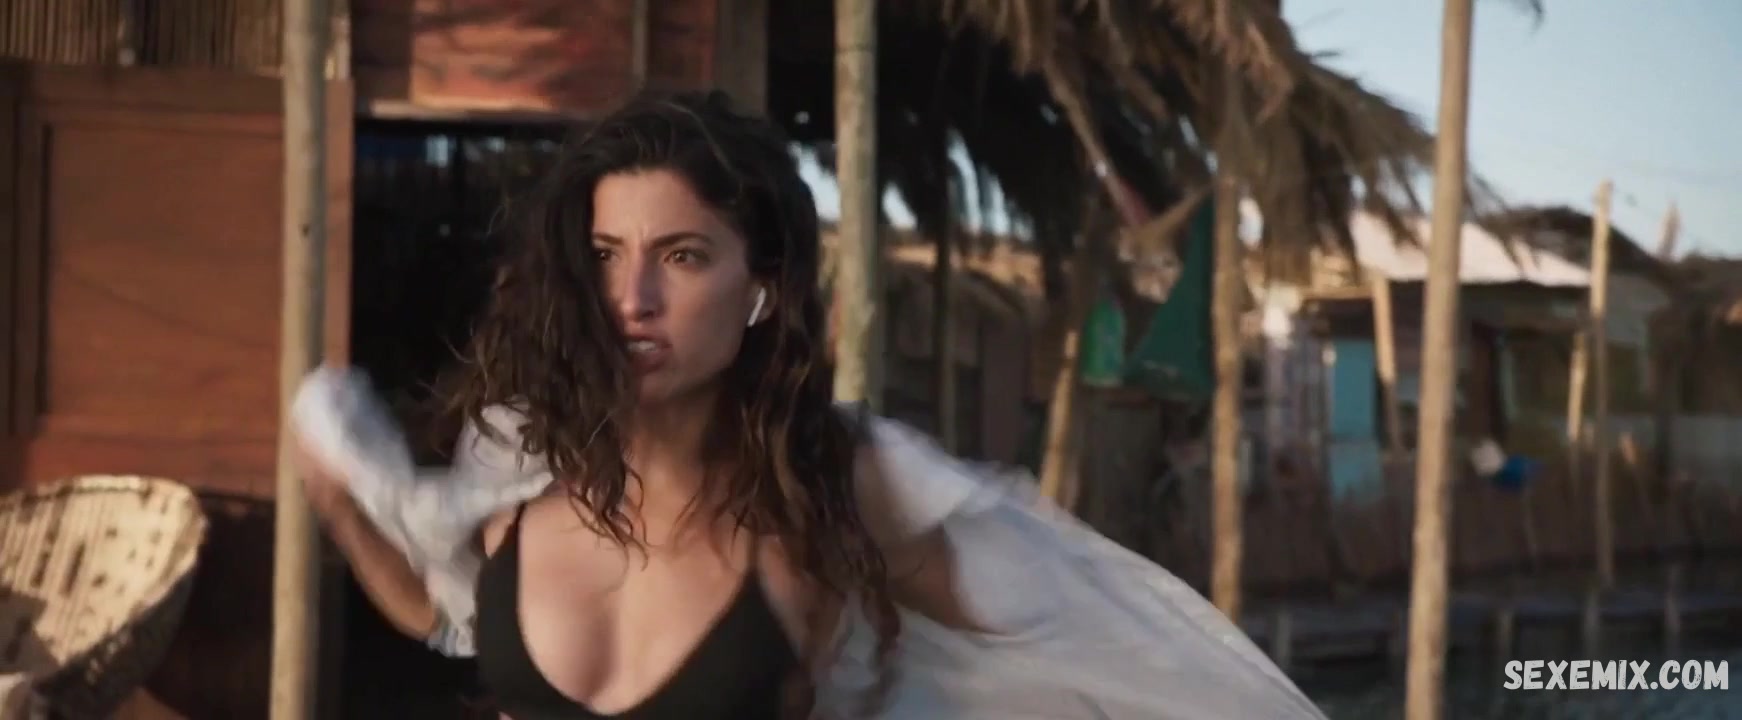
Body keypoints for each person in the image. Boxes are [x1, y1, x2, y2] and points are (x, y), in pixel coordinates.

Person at [293, 91, 1325, 719]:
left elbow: (1067, 646)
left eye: (681, 256)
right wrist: (342, 506)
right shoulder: (523, 457)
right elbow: (449, 616)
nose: (633, 298)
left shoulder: (834, 483)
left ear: (762, 287)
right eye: (605, 256)